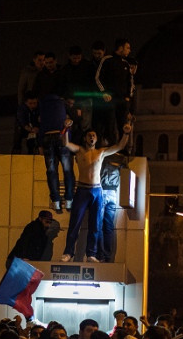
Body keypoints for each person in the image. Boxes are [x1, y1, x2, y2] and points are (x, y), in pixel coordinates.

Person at [60, 121, 133, 263]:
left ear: (97, 139)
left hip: (97, 190)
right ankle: (68, 252)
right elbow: (66, 143)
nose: (91, 138)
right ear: (85, 138)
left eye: (93, 136)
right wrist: (66, 128)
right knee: (75, 223)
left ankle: (91, 254)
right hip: (82, 189)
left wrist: (126, 133)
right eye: (89, 136)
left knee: (95, 225)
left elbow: (120, 146)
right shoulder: (80, 150)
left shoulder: (101, 152)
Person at [38, 93, 75, 212]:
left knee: (51, 171)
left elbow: (40, 125)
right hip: (61, 135)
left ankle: (56, 201)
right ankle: (69, 200)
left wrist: (40, 144)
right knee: (68, 170)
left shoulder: (42, 105)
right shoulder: (62, 104)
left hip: (47, 137)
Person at [95, 38, 133, 146]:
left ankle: (123, 148)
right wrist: (104, 92)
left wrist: (128, 97)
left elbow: (130, 81)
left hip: (122, 100)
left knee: (123, 124)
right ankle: (112, 147)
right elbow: (98, 78)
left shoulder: (126, 64)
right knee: (110, 124)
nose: (129, 51)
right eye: (127, 48)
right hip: (110, 99)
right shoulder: (107, 60)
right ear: (120, 48)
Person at [13, 90, 40, 154]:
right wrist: (31, 129)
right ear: (26, 103)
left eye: (34, 103)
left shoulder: (40, 107)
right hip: (25, 128)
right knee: (18, 131)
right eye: (30, 103)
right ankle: (17, 151)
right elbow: (22, 122)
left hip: (37, 127)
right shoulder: (22, 109)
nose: (33, 105)